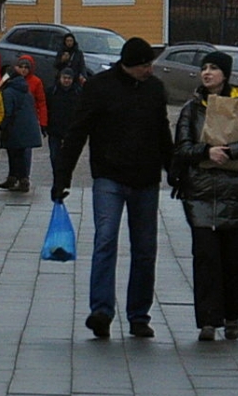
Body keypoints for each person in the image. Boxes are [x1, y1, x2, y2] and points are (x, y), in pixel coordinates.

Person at [51, 35, 173, 340]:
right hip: (109, 176)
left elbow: (162, 133)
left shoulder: (154, 90)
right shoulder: (100, 87)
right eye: (145, 65)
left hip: (146, 178)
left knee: (145, 249)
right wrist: (62, 176)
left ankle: (138, 315)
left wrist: (174, 171)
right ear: (130, 65)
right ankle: (101, 311)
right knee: (105, 241)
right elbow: (77, 131)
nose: (149, 70)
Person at [171, 51, 238, 341]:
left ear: (225, 74)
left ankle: (231, 317)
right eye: (204, 67)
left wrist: (231, 152)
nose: (207, 72)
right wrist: (206, 152)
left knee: (232, 259)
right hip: (201, 193)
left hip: (237, 194)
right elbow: (181, 147)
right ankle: (207, 321)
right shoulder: (192, 108)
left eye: (213, 68)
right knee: (205, 258)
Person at [0, 57, 45, 192]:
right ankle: (16, 178)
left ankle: (20, 180)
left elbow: (8, 111)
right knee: (19, 153)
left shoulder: (9, 91)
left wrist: (2, 126)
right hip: (27, 127)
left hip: (15, 128)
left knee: (15, 154)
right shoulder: (24, 88)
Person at [45, 67, 84, 176]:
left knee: (68, 156)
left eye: (69, 78)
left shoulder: (78, 92)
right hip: (54, 129)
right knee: (54, 156)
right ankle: (57, 175)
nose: (66, 80)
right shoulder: (52, 91)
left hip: (70, 130)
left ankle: (64, 175)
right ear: (60, 78)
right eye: (64, 78)